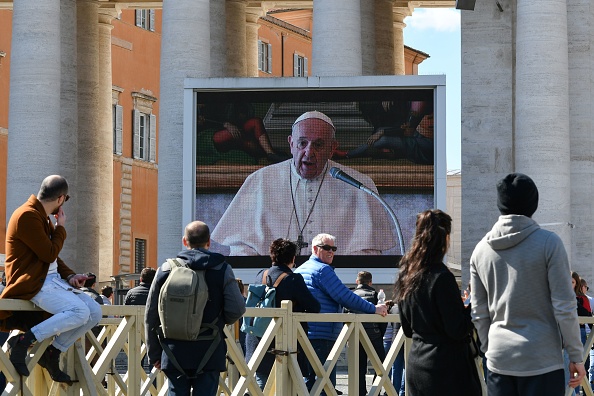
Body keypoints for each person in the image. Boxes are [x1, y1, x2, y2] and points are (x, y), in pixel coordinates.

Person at [211, 110, 396, 256]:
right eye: (302, 143)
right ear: (291, 144)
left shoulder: (359, 185)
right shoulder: (259, 181)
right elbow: (241, 249)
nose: (309, 152)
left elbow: (368, 252)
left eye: (318, 145)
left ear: (332, 149)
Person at [470, 173, 585, 396]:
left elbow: (479, 313)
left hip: (498, 361)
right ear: (534, 203)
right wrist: (576, 355)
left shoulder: (480, 250)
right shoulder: (549, 243)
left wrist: (489, 350)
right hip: (542, 360)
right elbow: (564, 306)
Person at [0, 175, 103, 383]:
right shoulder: (27, 216)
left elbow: (51, 257)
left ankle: (52, 353)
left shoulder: (41, 217)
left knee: (94, 312)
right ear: (61, 199)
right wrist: (61, 229)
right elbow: (48, 253)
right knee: (79, 311)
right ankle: (23, 341)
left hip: (50, 281)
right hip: (33, 283)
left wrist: (72, 276)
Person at [145, 221, 246, 396]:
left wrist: (154, 353)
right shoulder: (222, 268)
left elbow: (151, 315)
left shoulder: (166, 269)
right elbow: (236, 309)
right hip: (210, 348)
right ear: (209, 242)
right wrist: (221, 320)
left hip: (174, 350)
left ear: (185, 241)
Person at [395, 209, 480, 396]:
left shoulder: (406, 275)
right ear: (445, 239)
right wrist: (473, 301)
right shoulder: (442, 277)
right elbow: (457, 329)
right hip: (447, 371)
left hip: (417, 365)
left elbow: (407, 329)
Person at [294, 233, 388, 393]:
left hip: (305, 334)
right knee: (325, 385)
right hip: (322, 336)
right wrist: (374, 309)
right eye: (327, 248)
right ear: (315, 249)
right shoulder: (322, 270)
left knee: (310, 383)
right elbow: (345, 296)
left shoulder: (301, 269)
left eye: (334, 248)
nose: (331, 252)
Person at [244, 238, 320, 390]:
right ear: (293, 258)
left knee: (260, 386)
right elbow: (314, 307)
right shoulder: (293, 279)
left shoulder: (261, 275)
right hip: (284, 347)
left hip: (257, 340)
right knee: (287, 389)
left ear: (272, 255)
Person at [347, 101, 433, 164]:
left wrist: (382, 133)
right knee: (379, 130)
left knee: (382, 140)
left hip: (421, 145)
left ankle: (348, 154)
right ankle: (391, 152)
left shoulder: (419, 103)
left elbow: (407, 130)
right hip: (413, 136)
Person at [345, 271, 387, 396]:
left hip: (355, 335)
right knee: (380, 366)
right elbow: (383, 319)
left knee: (358, 367)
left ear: (357, 281)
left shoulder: (350, 295)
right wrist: (379, 333)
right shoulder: (375, 294)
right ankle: (376, 392)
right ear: (370, 282)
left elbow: (344, 315)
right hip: (374, 335)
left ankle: (360, 392)